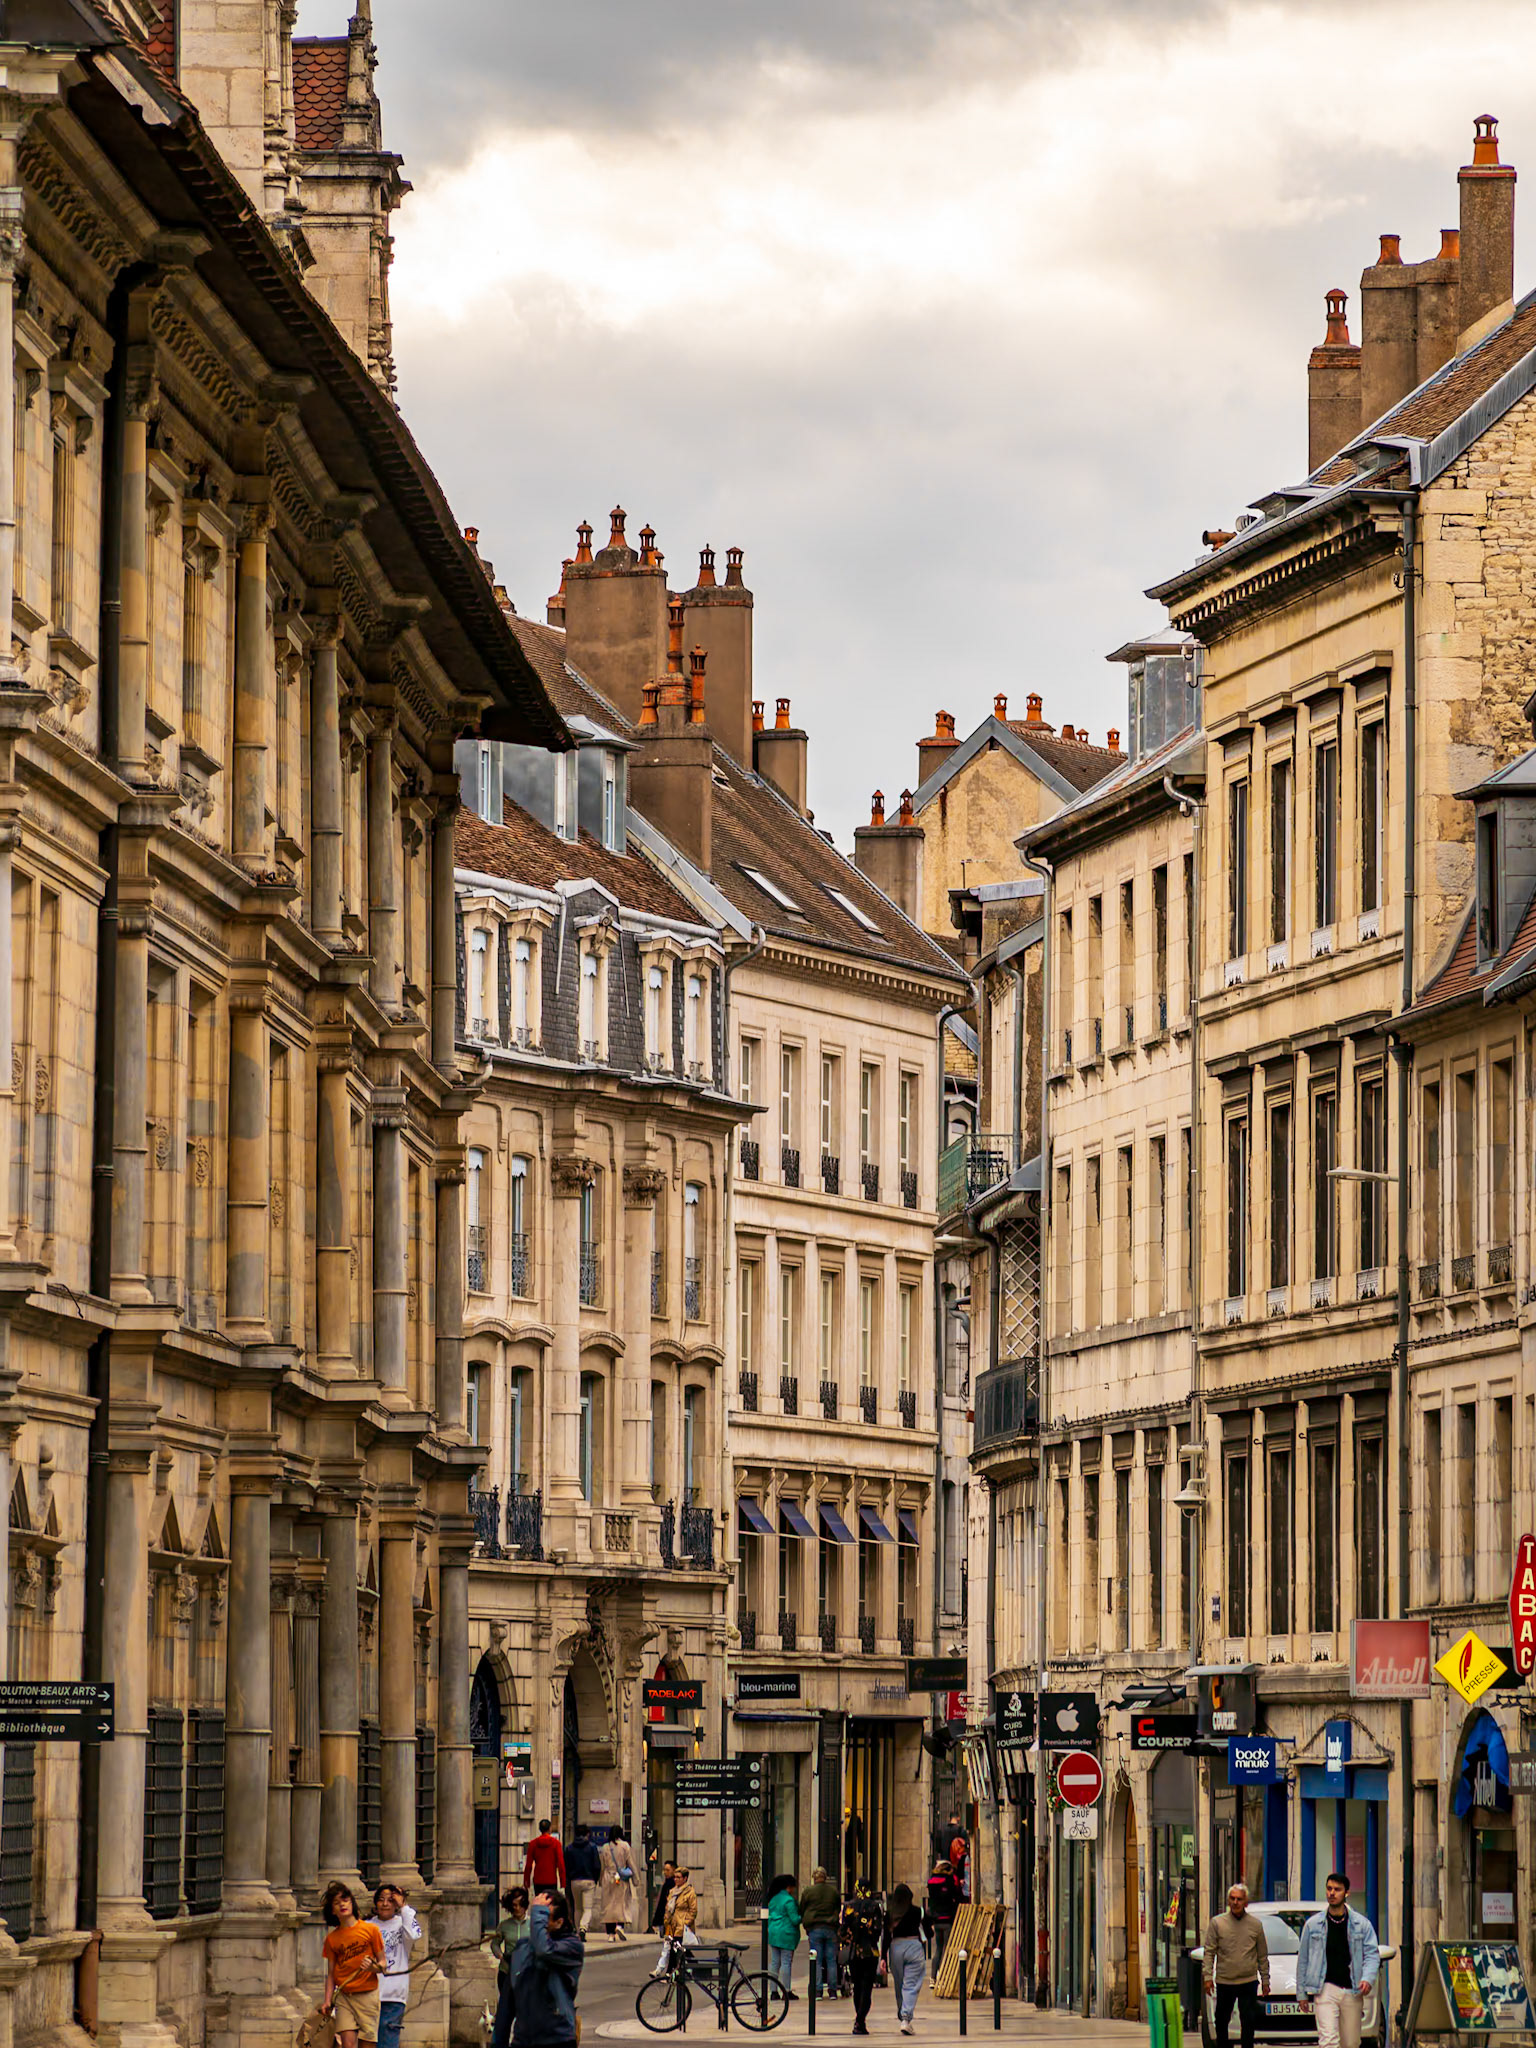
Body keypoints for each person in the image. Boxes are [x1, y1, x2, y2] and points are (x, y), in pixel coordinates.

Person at [1298, 1873, 1380, 2048]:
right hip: (1325, 1988)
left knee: (1351, 2043)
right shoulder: (1313, 1925)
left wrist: (1367, 1978)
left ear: (1346, 1893)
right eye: (1329, 1889)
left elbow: (1372, 1954)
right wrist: (1302, 1993)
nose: (1332, 1893)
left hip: (1352, 1989)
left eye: (1337, 1889)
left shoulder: (1361, 1924)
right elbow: (1303, 1959)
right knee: (1328, 2041)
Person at [510, 1890, 583, 2048]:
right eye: (538, 1915)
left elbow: (544, 1950)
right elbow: (510, 1998)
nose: (539, 1921)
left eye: (544, 1916)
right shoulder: (523, 1946)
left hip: (556, 2036)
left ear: (559, 1922)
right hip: (523, 2038)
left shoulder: (572, 1946)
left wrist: (537, 1913)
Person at [1203, 1883, 1271, 2048]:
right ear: (1228, 1901)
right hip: (1225, 1981)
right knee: (1221, 2020)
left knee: (1248, 2021)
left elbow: (1262, 1955)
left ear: (1246, 1902)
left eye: (1239, 1899)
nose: (1235, 1902)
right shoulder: (1217, 1923)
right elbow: (1209, 1952)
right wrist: (1207, 1976)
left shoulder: (1255, 1925)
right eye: (1232, 1899)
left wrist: (1265, 1980)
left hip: (1248, 1981)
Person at [321, 1881, 387, 2048]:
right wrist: (327, 2000)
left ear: (352, 1903)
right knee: (347, 2045)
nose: (342, 1904)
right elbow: (331, 1973)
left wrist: (373, 1967)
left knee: (367, 2044)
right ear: (332, 1910)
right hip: (344, 1996)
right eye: (336, 1903)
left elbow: (383, 1964)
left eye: (345, 1899)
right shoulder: (332, 1939)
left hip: (368, 1995)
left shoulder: (371, 1930)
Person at [369, 1884, 420, 2048]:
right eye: (381, 1900)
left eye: (390, 1900)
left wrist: (404, 1906)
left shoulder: (403, 1924)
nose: (385, 1904)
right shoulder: (367, 1926)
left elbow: (413, 1934)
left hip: (394, 1995)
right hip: (367, 1994)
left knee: (388, 2042)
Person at [842, 1878, 885, 2036]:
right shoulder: (874, 1906)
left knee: (857, 1987)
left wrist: (850, 1938)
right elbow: (877, 1929)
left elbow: (843, 1930)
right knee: (867, 1988)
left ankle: (859, 2020)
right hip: (869, 1952)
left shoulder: (848, 1906)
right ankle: (860, 2021)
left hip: (854, 1951)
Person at [490, 1887, 531, 2048]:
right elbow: (494, 1944)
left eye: (521, 1904)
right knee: (506, 2010)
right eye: (514, 1905)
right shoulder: (505, 1926)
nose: (518, 1909)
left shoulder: (532, 1925)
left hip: (526, 1973)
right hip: (507, 1972)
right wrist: (501, 1956)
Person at [885, 1882, 927, 2035]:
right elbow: (929, 1932)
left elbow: (885, 1937)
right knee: (910, 1984)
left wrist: (883, 1956)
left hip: (896, 1948)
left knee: (899, 1983)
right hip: (914, 1946)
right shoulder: (918, 1911)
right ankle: (905, 2018)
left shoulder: (890, 1913)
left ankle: (902, 2013)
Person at [799, 1866, 841, 1997]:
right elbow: (838, 1907)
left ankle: (818, 1991)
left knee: (816, 1960)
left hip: (814, 1928)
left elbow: (802, 1908)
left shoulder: (808, 1891)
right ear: (825, 1877)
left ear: (814, 1878)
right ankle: (832, 1990)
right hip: (830, 1928)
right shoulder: (833, 1891)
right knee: (831, 1960)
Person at [652, 1864, 699, 1976]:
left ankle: (670, 1973)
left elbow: (693, 1911)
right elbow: (668, 1908)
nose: (676, 1879)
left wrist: (685, 1923)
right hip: (671, 1925)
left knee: (675, 1950)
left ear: (685, 1878)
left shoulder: (690, 1892)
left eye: (678, 1877)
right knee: (673, 1948)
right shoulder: (672, 1891)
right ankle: (691, 1968)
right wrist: (666, 1921)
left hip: (681, 1926)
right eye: (675, 1877)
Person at [766, 1873, 802, 1994]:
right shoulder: (789, 1900)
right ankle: (786, 1990)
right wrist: (803, 1916)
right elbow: (795, 1919)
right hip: (786, 1934)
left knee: (775, 1962)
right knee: (786, 1962)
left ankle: (773, 1991)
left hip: (773, 1932)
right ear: (789, 1887)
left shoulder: (773, 1898)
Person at [598, 1829, 638, 1940]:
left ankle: (611, 1934)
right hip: (621, 1878)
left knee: (608, 1905)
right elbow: (630, 1863)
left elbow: (602, 1865)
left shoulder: (605, 1847)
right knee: (622, 1903)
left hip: (608, 1877)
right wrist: (636, 1878)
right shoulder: (625, 1846)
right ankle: (620, 1926)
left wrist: (600, 1880)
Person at [924, 1860, 961, 1973]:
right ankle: (944, 1974)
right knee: (947, 1948)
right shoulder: (949, 1881)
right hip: (948, 1919)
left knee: (939, 1949)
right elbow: (956, 1895)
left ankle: (933, 1976)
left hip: (937, 1920)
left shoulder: (932, 1882)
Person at [565, 1823, 601, 1934]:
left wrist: (569, 1878)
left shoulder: (569, 1848)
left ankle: (577, 1930)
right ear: (587, 1834)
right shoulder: (592, 1847)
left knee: (578, 1907)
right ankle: (583, 1927)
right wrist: (595, 1879)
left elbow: (566, 1865)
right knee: (588, 1908)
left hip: (574, 1880)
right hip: (589, 1880)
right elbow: (597, 1865)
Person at [524, 1818, 567, 1892]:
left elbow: (528, 1865)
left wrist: (526, 1881)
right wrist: (563, 1882)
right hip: (551, 1879)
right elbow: (560, 1864)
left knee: (539, 1901)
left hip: (538, 1879)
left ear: (540, 1829)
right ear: (550, 1828)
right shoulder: (556, 1843)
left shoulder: (533, 1844)